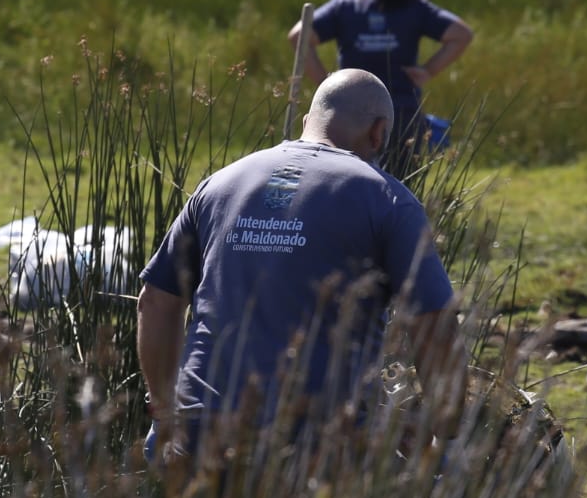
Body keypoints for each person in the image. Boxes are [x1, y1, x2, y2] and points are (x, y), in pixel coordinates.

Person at [137, 69, 457, 465]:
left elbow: (155, 302)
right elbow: (433, 327)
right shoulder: (388, 199)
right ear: (378, 133)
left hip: (201, 435)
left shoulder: (218, 185)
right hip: (319, 445)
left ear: (307, 122)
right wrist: (451, 432)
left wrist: (166, 411)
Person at [288, 0, 474, 172]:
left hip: (347, 111)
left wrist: (325, 84)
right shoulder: (414, 8)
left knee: (346, 179)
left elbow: (298, 36)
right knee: (400, 185)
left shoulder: (344, 6)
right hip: (401, 112)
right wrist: (428, 71)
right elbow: (461, 34)